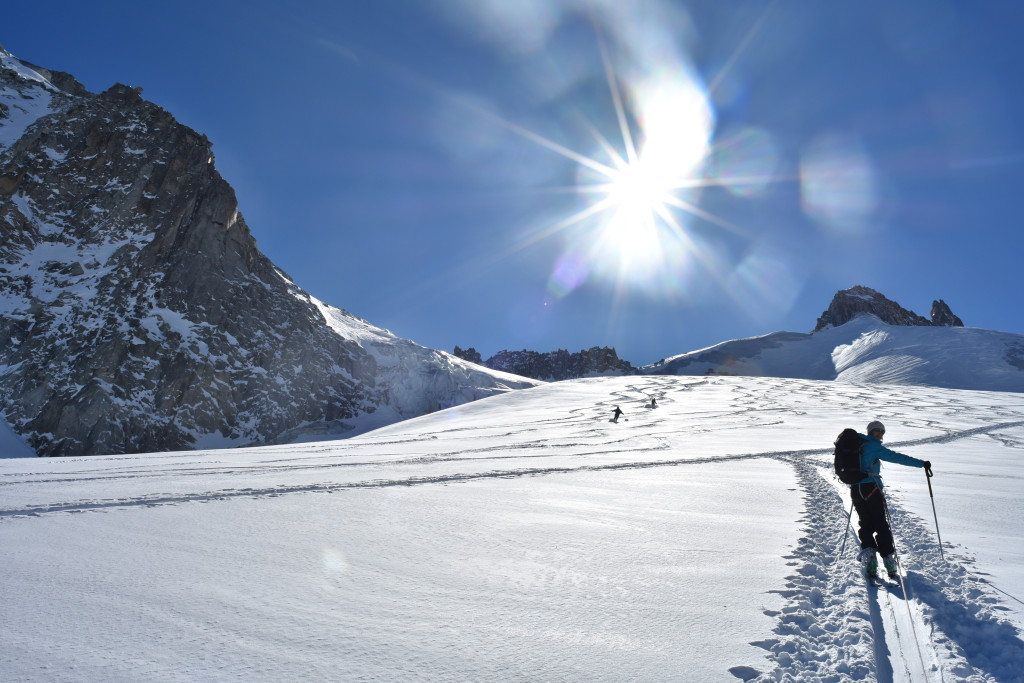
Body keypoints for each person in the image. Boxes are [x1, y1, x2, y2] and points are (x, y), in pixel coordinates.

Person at [850, 420, 932, 578]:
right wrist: (921, 464)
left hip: (856, 490)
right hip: (872, 488)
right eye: (877, 430)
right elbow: (896, 457)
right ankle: (888, 559)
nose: (880, 433)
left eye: (882, 431)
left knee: (865, 523)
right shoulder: (873, 446)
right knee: (880, 523)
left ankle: (871, 558)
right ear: (870, 432)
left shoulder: (857, 445)